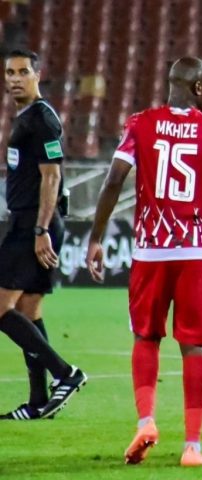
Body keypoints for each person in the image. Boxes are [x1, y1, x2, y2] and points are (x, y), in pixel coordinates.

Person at [85, 57, 202, 467]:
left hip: (150, 250)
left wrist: (96, 237)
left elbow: (113, 181)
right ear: (198, 88)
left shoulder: (140, 123)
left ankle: (146, 421)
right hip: (196, 251)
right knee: (193, 346)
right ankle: (192, 447)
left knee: (147, 338)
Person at [0, 48, 86, 421]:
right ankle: (38, 402)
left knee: (2, 308)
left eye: (22, 71)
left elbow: (52, 176)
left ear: (37, 74)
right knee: (28, 310)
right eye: (9, 73)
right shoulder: (26, 118)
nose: (14, 78)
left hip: (33, 225)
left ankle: (66, 373)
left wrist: (39, 229)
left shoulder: (43, 119)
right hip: (32, 223)